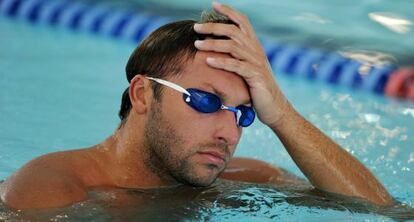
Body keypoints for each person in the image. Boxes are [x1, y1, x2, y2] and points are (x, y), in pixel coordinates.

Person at [0, 2, 393, 209]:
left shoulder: (242, 180)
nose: (229, 132)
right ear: (141, 95)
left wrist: (282, 114)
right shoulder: (53, 189)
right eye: (205, 101)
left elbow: (384, 212)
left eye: (245, 113)